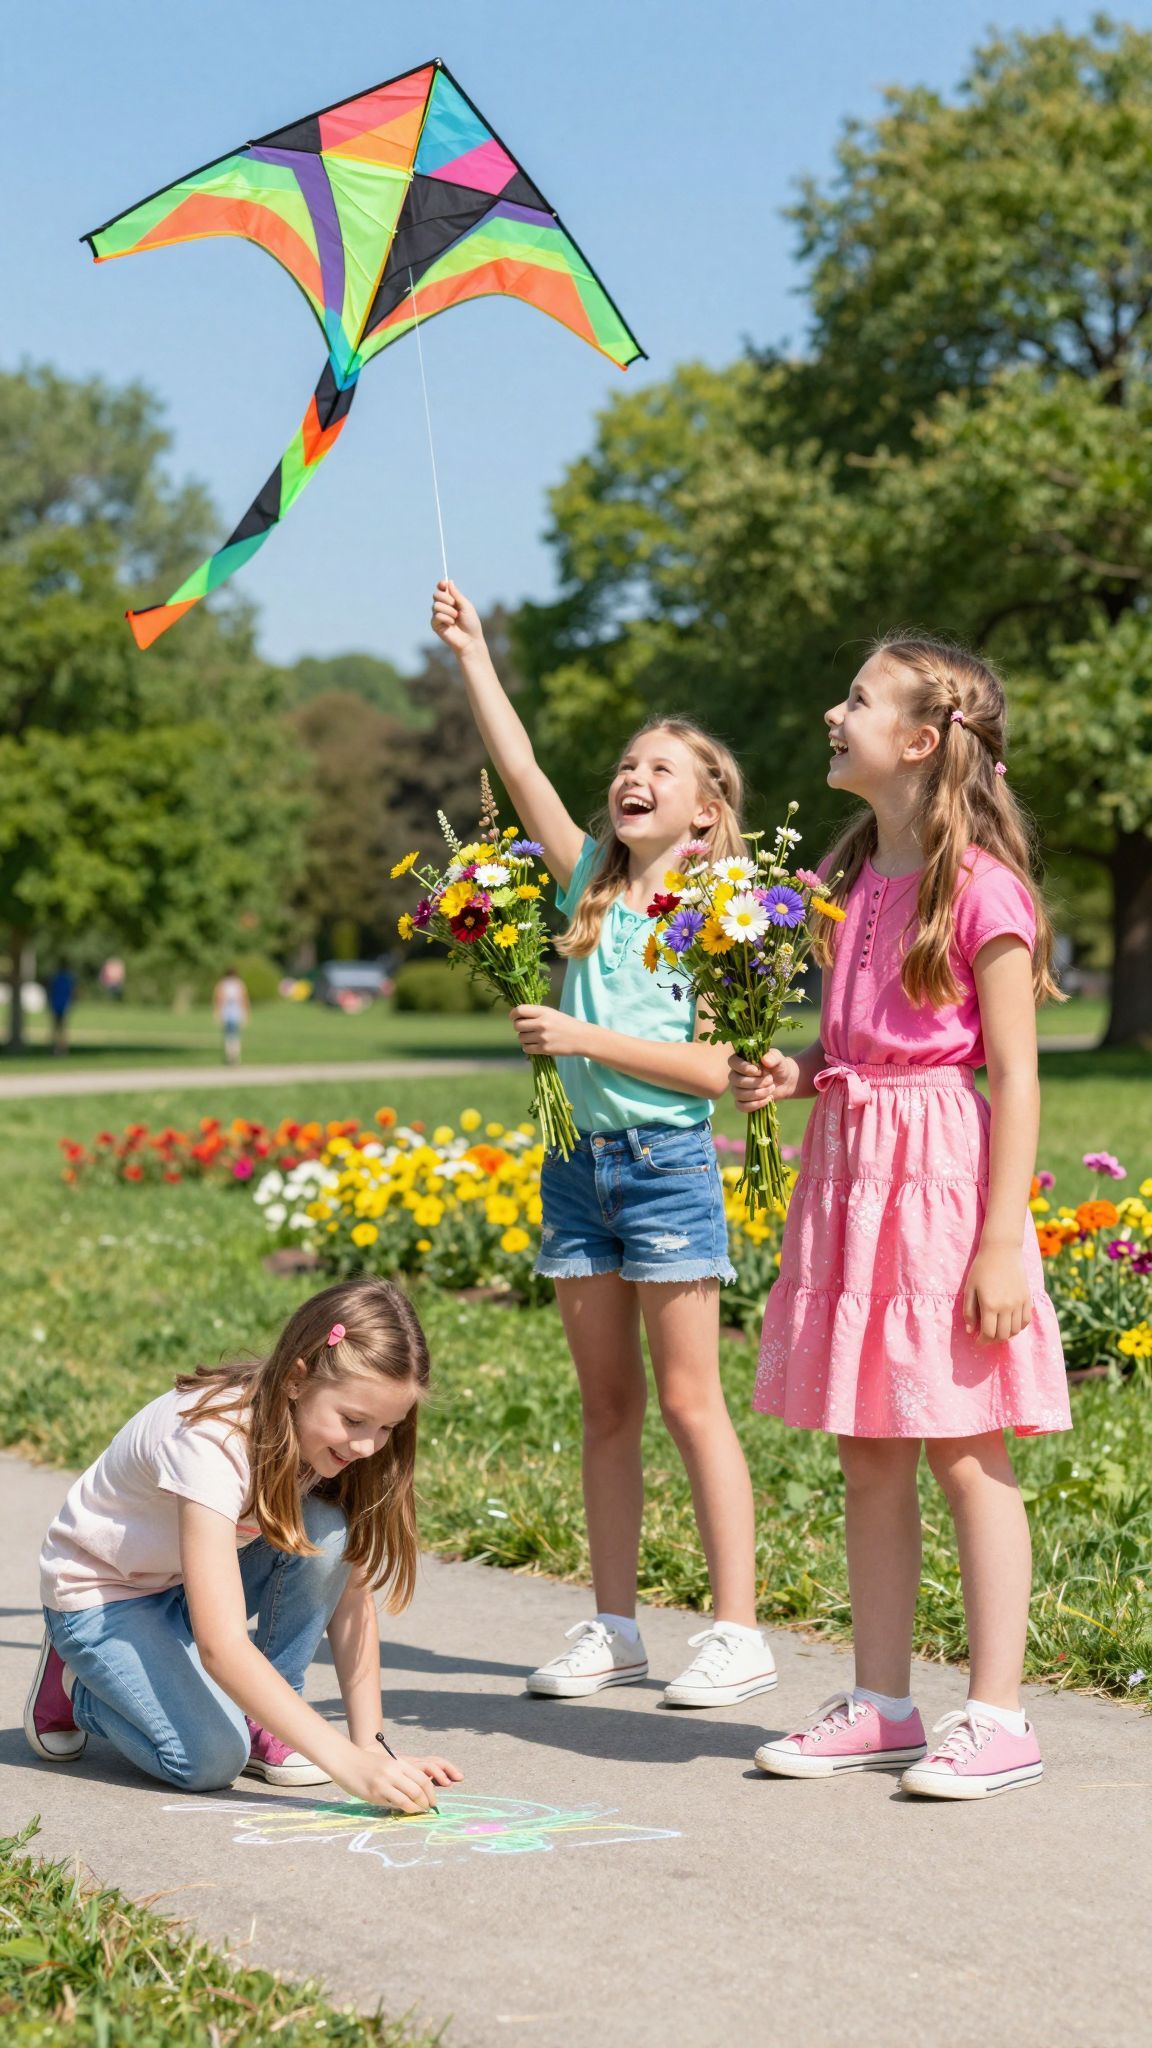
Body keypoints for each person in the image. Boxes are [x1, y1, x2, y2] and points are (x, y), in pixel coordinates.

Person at [732, 635, 1070, 1799]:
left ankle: (999, 1713)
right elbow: (855, 1033)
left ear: (922, 742)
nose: (835, 711)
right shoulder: (846, 882)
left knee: (967, 1451)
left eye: (859, 699)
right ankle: (881, 1700)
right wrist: (798, 1065)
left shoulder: (983, 888)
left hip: (939, 1184)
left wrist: (1000, 1239)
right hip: (852, 1166)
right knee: (868, 1444)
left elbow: (1015, 1075)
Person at [432, 578, 775, 1711]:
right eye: (628, 765)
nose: (635, 776)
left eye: (661, 768)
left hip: (670, 1168)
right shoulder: (585, 879)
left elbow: (717, 1073)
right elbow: (520, 765)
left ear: (708, 808)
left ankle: (735, 1629)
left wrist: (579, 1032)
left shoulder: (717, 917)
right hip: (577, 1172)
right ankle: (615, 1624)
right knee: (607, 1407)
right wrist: (476, 652)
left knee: (690, 1401)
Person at [26, 1279, 461, 1810]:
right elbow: (222, 1644)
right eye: (352, 1421)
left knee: (327, 1532)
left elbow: (350, 1597)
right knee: (209, 1760)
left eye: (387, 1427)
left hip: (184, 1584)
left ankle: (267, 1715)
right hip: (103, 1597)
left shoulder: (328, 1442)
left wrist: (374, 1750)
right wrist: (347, 1767)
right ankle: (80, 1688)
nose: (368, 1445)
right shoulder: (215, 1440)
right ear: (297, 1380)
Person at [213, 966, 249, 1066]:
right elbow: (244, 999)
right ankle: (235, 1057)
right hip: (236, 1013)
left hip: (226, 1013)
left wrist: (217, 1013)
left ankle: (230, 1056)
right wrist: (246, 1013)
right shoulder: (239, 984)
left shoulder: (223, 984)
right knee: (235, 1036)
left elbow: (219, 999)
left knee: (227, 1036)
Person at [48, 961, 77, 1057]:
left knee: (56, 1029)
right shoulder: (68, 979)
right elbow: (72, 993)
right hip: (63, 1006)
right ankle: (62, 1050)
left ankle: (56, 1049)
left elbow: (51, 991)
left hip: (56, 1005)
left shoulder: (56, 978)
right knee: (62, 1029)